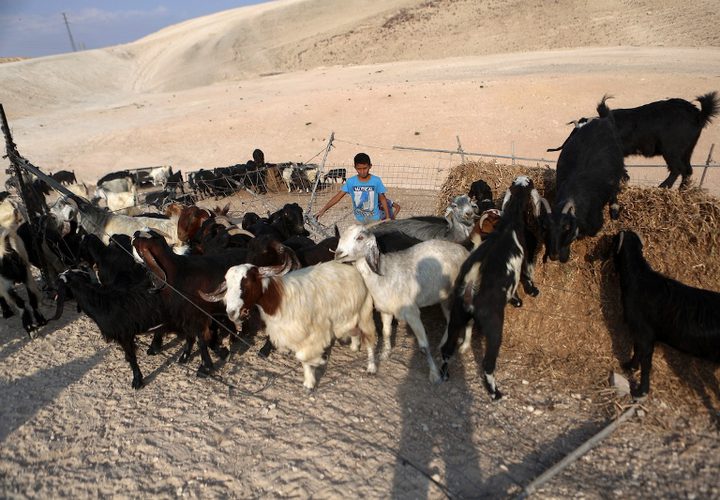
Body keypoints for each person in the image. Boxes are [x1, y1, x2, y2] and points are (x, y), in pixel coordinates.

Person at [317, 153, 394, 223]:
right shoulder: (351, 182)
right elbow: (337, 197)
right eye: (359, 169)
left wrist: (387, 217)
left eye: (365, 168)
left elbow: (382, 198)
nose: (362, 171)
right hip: (359, 220)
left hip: (374, 219)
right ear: (355, 167)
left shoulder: (376, 181)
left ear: (370, 166)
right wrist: (323, 210)